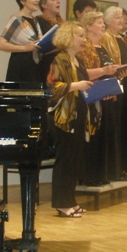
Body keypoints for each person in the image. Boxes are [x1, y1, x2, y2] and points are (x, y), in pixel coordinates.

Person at [46, 21, 93, 217]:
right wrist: (76, 85)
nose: (84, 40)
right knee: (64, 160)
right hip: (63, 118)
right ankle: (62, 204)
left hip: (78, 115)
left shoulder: (78, 60)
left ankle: (70, 201)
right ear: (69, 37)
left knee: (74, 160)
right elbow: (52, 88)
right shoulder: (60, 60)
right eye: (80, 36)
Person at [81, 10, 123, 184]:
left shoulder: (102, 46)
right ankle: (91, 176)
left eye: (102, 22)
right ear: (89, 26)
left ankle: (104, 174)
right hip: (92, 98)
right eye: (99, 22)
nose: (103, 25)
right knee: (94, 137)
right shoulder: (84, 47)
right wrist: (104, 70)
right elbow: (82, 73)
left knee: (106, 135)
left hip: (107, 96)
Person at [100, 6, 127, 178]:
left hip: (126, 83)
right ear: (107, 21)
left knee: (125, 125)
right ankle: (114, 168)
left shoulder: (121, 38)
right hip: (115, 85)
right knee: (116, 125)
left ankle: (124, 166)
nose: (121, 20)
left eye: (121, 17)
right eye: (117, 17)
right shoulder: (105, 37)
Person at [0, 0, 42, 82]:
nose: (37, 0)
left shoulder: (35, 20)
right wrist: (25, 48)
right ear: (22, 1)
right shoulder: (16, 19)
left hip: (33, 65)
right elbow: (1, 44)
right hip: (20, 65)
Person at [36, 0, 63, 82]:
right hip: (47, 65)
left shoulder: (62, 23)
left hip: (62, 63)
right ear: (44, 5)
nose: (58, 2)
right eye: (53, 0)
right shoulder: (38, 21)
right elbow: (39, 46)